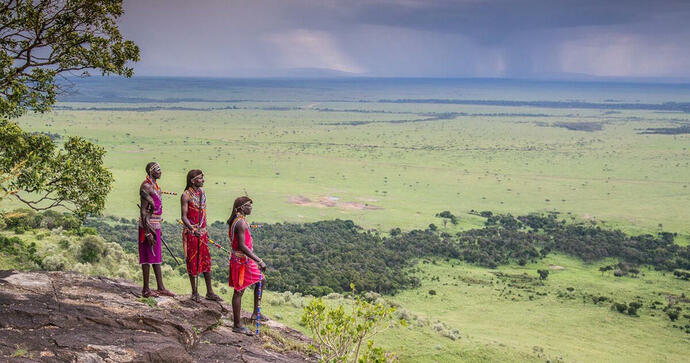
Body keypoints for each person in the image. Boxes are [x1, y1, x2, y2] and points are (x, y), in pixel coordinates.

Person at [227, 196, 267, 335]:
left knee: (261, 280)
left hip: (244, 260)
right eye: (249, 206)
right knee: (239, 291)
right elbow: (243, 246)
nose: (251, 208)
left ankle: (256, 313)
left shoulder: (239, 220)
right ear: (241, 208)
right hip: (241, 261)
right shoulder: (241, 223)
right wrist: (259, 260)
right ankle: (237, 325)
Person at [180, 169, 222, 302]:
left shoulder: (202, 193)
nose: (203, 180)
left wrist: (202, 230)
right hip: (192, 233)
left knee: (206, 261)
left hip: (203, 233)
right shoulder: (186, 195)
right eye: (200, 178)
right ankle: (194, 292)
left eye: (203, 178)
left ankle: (210, 292)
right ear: (192, 181)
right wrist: (192, 228)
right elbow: (184, 217)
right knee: (193, 261)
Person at [139, 162, 175, 298]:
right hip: (147, 225)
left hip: (156, 223)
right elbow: (143, 211)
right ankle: (146, 289)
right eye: (157, 169)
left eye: (160, 169)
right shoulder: (146, 186)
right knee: (147, 256)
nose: (160, 171)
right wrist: (148, 232)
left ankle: (160, 287)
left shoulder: (155, 186)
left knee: (156, 256)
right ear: (150, 171)